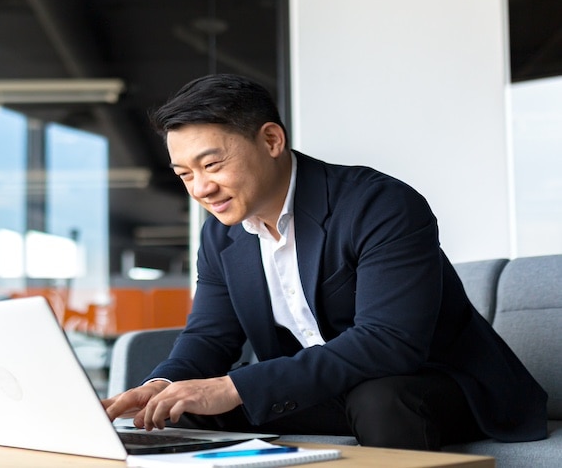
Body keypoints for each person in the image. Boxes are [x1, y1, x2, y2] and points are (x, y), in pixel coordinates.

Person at [102, 73, 547, 451]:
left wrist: (233, 386)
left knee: (379, 398)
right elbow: (210, 335)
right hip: (325, 389)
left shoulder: (379, 204)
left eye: (212, 164)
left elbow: (389, 342)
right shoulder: (221, 233)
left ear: (271, 140)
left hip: (433, 385)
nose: (200, 188)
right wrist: (160, 386)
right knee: (178, 411)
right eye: (185, 175)